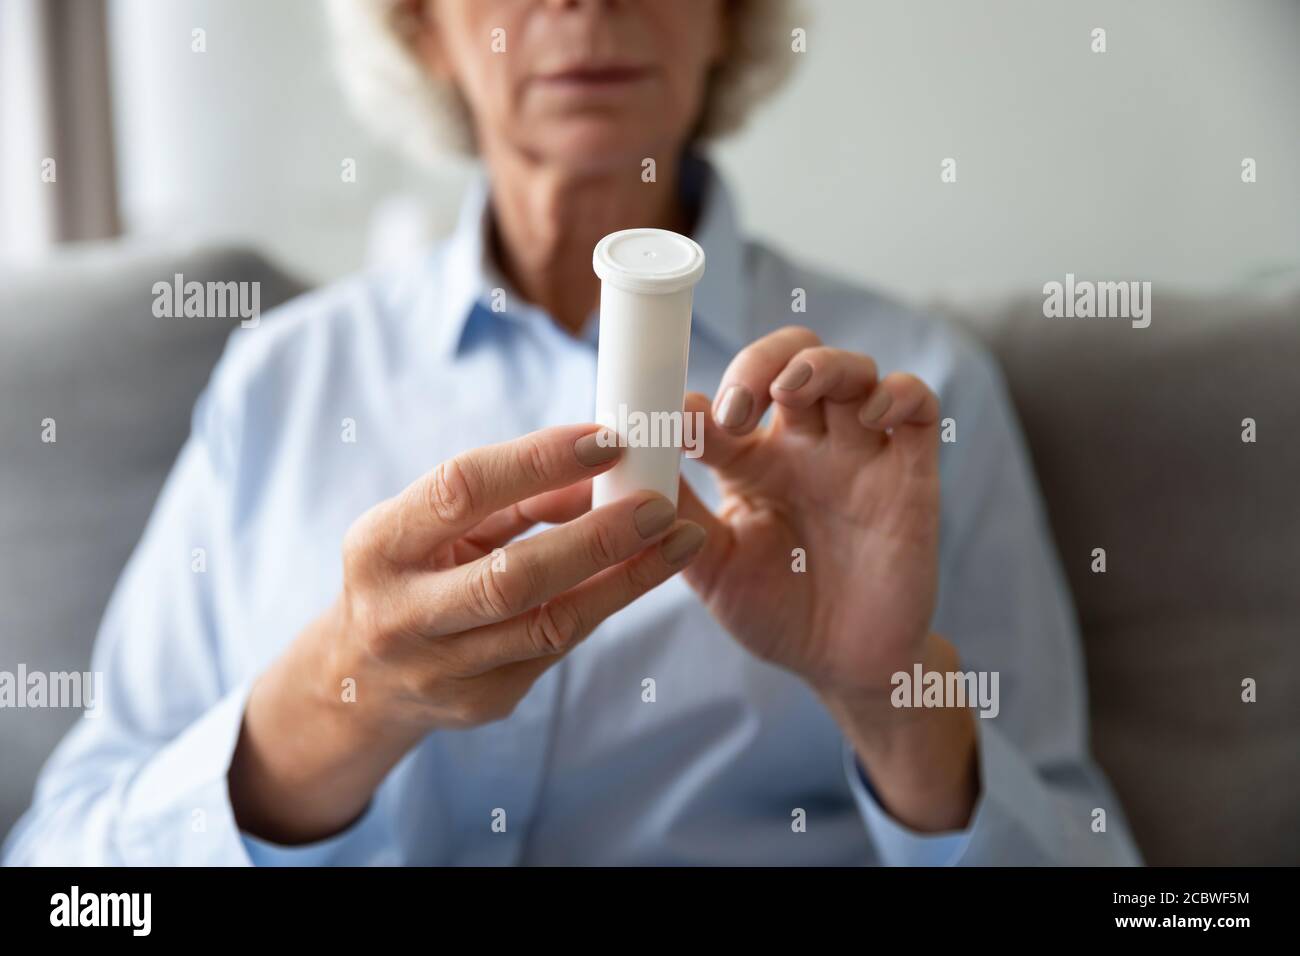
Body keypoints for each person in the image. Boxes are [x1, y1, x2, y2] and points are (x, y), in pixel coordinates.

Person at [3, 0, 1139, 865]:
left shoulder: (905, 398)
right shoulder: (282, 383)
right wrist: (338, 696)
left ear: (726, 23)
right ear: (423, 30)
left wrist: (892, 696)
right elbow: (63, 865)